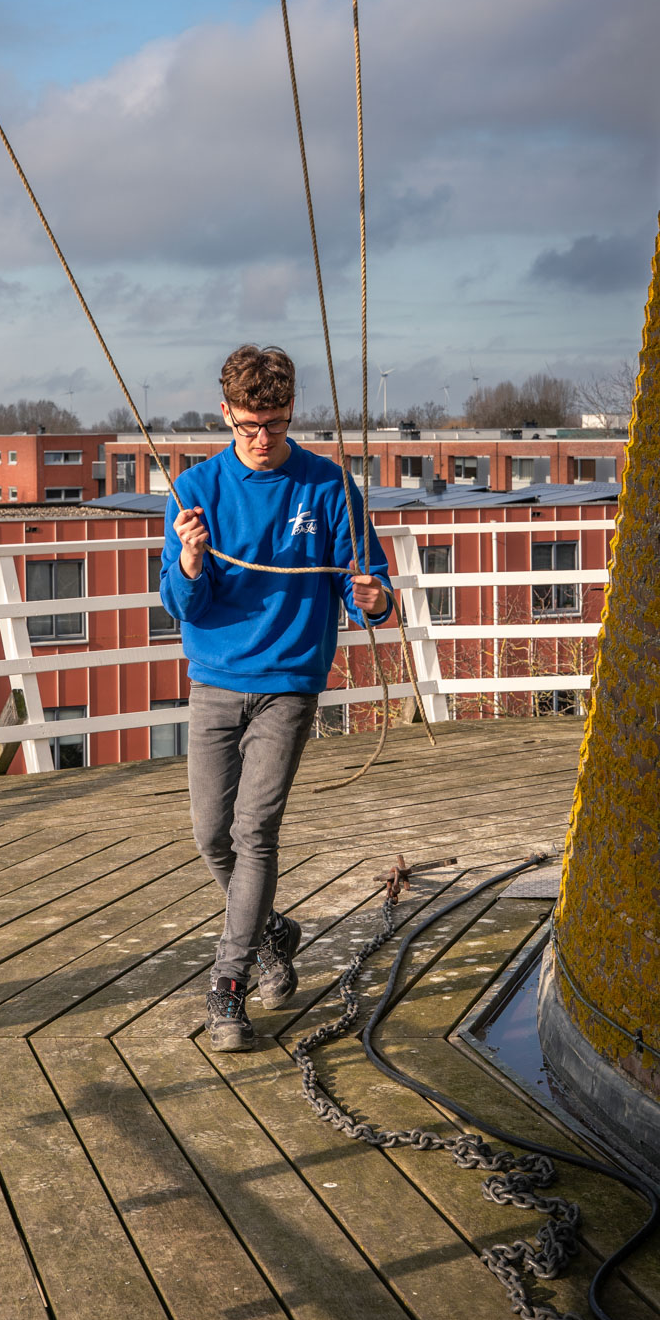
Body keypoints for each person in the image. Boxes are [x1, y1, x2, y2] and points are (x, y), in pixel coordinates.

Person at [159, 343, 393, 1051]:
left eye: (277, 426)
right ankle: (270, 933)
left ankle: (227, 986)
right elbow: (181, 605)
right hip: (213, 683)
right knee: (209, 836)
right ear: (224, 415)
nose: (262, 442)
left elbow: (372, 591)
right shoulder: (194, 489)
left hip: (289, 683)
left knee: (252, 832)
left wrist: (375, 597)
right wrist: (192, 560)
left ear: (292, 416)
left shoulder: (327, 488)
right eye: (248, 427)